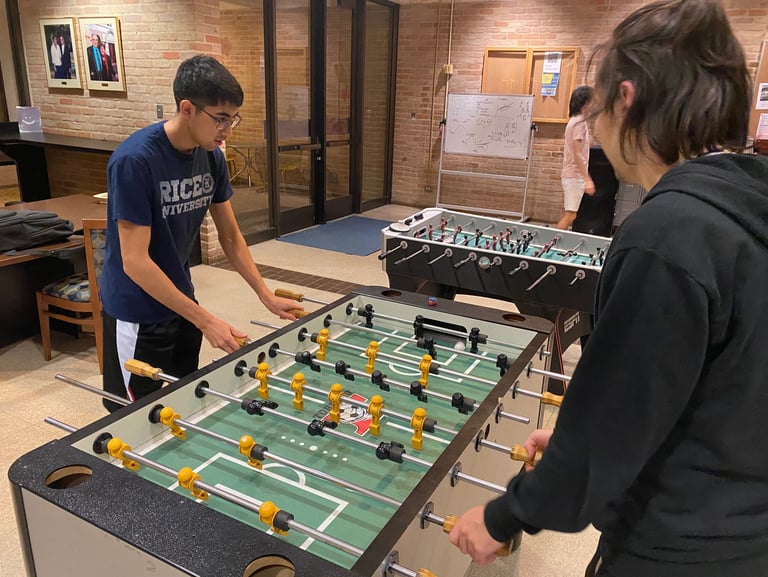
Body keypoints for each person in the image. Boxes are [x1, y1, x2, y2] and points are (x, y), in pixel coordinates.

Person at [448, 1, 768, 576]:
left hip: (675, 545)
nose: (595, 126)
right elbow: (698, 387)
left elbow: (608, 433)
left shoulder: (667, 235)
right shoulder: (748, 207)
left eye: (595, 107)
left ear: (625, 99)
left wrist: (503, 517)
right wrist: (583, 430)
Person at [100, 54, 301, 412]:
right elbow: (135, 262)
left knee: (179, 405)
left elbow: (230, 237)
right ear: (187, 108)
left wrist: (264, 295)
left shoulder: (211, 157)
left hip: (181, 301)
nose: (228, 130)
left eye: (232, 118)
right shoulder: (135, 161)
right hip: (137, 311)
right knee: (134, 417)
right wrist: (207, 320)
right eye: (220, 119)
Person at [555, 85, 595, 230]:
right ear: (585, 102)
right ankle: (550, 244)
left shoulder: (578, 121)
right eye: (592, 100)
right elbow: (577, 154)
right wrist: (587, 178)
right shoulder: (578, 122)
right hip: (574, 175)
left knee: (570, 213)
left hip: (573, 174)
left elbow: (580, 148)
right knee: (571, 215)